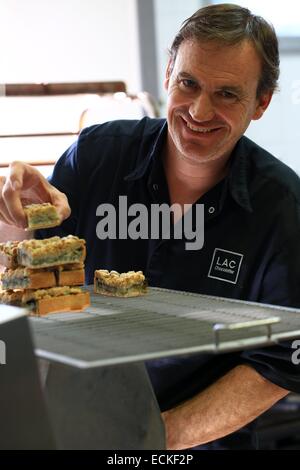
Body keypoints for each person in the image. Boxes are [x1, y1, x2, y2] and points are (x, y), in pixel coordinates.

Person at [0, 3, 300, 449]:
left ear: (261, 103)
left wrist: (156, 435)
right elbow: (27, 288)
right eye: (189, 83)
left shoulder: (282, 208)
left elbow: (284, 360)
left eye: (227, 94)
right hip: (70, 428)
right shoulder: (96, 157)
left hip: (196, 441)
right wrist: (13, 222)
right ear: (167, 76)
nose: (199, 110)